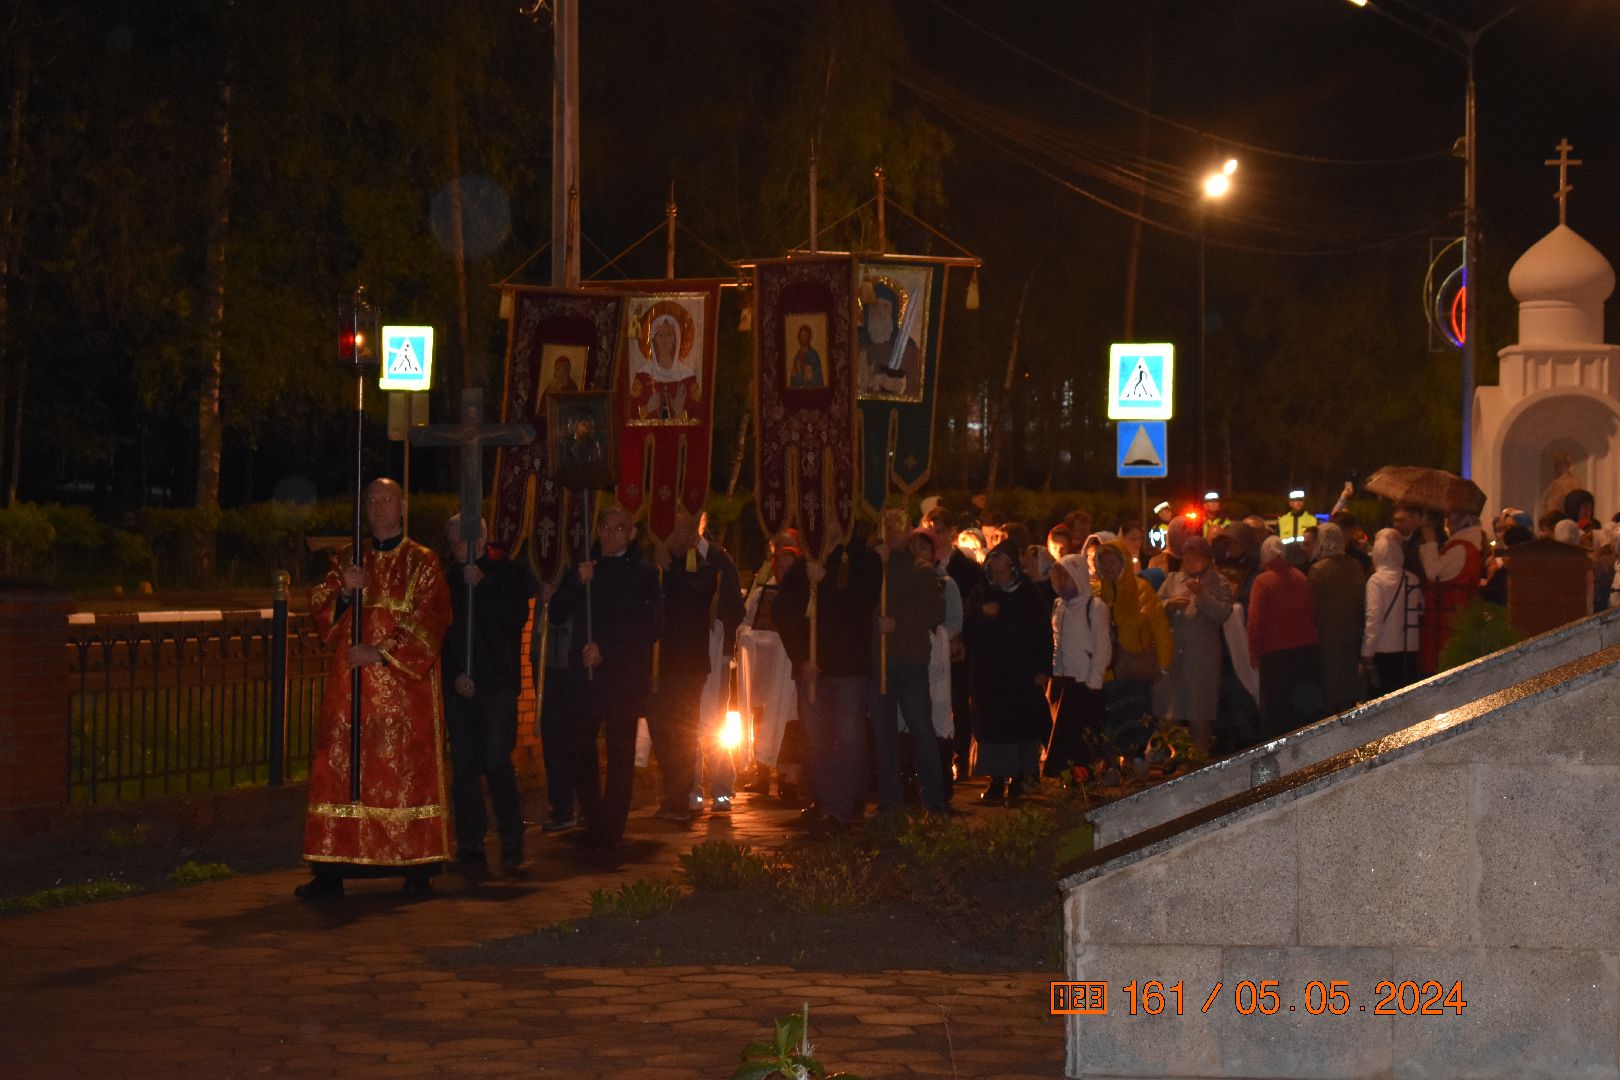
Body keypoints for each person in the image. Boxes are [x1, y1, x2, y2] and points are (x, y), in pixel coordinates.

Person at [297, 478, 453, 899]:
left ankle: (415, 866)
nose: (380, 507)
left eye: (387, 500)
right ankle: (331, 868)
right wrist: (345, 590)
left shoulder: (422, 561)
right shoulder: (350, 557)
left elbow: (431, 618)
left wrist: (380, 653)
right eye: (372, 501)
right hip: (349, 689)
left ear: (402, 506)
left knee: (404, 773)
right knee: (339, 768)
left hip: (403, 690)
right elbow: (319, 607)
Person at [547, 504, 662, 858]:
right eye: (605, 527)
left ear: (631, 533)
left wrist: (607, 650)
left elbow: (649, 627)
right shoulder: (586, 567)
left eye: (618, 528)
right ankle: (593, 817)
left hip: (622, 679)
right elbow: (558, 613)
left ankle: (611, 827)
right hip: (586, 677)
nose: (610, 534)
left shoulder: (643, 573)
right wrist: (575, 583)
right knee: (580, 744)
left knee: (619, 752)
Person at [442, 515, 537, 879]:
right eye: (454, 543)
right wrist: (455, 677)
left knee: (497, 763)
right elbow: (440, 635)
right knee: (464, 768)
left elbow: (514, 617)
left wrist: (483, 586)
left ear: (482, 538)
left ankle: (512, 842)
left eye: (467, 540)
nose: (461, 548)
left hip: (497, 685)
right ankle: (470, 845)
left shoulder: (506, 572)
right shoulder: (448, 579)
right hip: (461, 687)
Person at [774, 525, 882, 835]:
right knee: (816, 737)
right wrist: (801, 657)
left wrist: (825, 586)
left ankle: (840, 808)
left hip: (848, 666)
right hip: (812, 667)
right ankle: (826, 801)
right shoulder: (809, 558)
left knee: (848, 737)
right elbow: (784, 612)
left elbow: (860, 608)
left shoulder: (864, 559)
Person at [648, 508, 735, 824]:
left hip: (688, 664)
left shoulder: (706, 567)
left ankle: (681, 800)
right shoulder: (652, 566)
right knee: (659, 729)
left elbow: (692, 598)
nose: (684, 537)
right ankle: (673, 793)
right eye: (678, 530)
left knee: (683, 733)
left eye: (689, 531)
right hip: (659, 663)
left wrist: (666, 570)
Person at [962, 543, 1052, 803]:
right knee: (992, 729)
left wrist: (1043, 668)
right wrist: (982, 615)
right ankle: (996, 779)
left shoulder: (1029, 594)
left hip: (1021, 675)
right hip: (989, 677)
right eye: (995, 572)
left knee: (1021, 726)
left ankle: (1019, 780)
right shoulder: (980, 594)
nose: (1000, 577)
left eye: (1004, 572)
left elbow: (1043, 634)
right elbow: (968, 629)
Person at [870, 510, 947, 814]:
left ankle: (934, 797)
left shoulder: (921, 570)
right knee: (883, 732)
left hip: (910, 661)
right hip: (880, 662)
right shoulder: (876, 568)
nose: (893, 533)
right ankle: (889, 797)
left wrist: (898, 623)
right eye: (887, 527)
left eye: (898, 527)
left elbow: (933, 613)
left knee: (920, 727)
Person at [1094, 539, 1173, 758]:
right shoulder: (1097, 593)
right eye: (1104, 562)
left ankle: (1136, 758)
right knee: (1112, 717)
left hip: (1136, 666)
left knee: (1136, 715)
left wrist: (1163, 664)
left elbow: (1160, 629)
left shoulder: (1142, 590)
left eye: (1112, 562)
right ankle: (1115, 762)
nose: (1109, 567)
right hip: (1107, 670)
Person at [1158, 535, 1233, 753]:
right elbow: (1155, 606)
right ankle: (1175, 755)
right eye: (1187, 558)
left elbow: (1223, 612)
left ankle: (1199, 756)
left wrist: (1202, 596)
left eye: (1196, 558)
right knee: (1170, 710)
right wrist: (1168, 605)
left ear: (1207, 559)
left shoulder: (1219, 582)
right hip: (1173, 655)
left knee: (1199, 710)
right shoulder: (1172, 579)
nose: (1190, 562)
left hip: (1201, 659)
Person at [1247, 535, 1324, 739]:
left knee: (1276, 712)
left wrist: (1253, 652)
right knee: (1300, 710)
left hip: (1275, 653)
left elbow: (1256, 621)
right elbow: (1312, 610)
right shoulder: (1300, 576)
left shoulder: (1262, 582)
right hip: (1306, 649)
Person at [1044, 553, 1110, 781]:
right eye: (1059, 576)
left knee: (1082, 736)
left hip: (1083, 681)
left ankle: (1085, 779)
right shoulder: (1059, 606)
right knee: (1066, 736)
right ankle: (1071, 779)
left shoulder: (1095, 607)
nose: (1062, 582)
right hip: (1063, 679)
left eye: (1067, 576)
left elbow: (1102, 646)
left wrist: (1094, 680)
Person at [1308, 523, 1367, 714]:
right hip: (1352, 631)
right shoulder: (1355, 565)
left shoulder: (1318, 570)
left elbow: (1312, 605)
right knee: (1348, 681)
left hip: (1326, 634)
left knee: (1331, 682)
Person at [1418, 510, 1486, 675]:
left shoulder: (1461, 547)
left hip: (1446, 613)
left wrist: (1431, 542)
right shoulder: (1464, 545)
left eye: (1453, 515)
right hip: (1449, 611)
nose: (1448, 520)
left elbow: (1433, 571)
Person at [1361, 528, 1424, 694]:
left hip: (1384, 647)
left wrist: (1367, 650)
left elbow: (1374, 616)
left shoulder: (1376, 580)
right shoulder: (1412, 578)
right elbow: (1419, 610)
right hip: (1409, 646)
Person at [1541, 450, 1581, 516]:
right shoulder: (1555, 481)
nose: (1556, 467)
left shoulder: (1573, 481)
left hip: (1563, 513)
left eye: (1558, 464)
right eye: (1555, 464)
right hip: (1552, 514)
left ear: (1565, 465)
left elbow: (1574, 500)